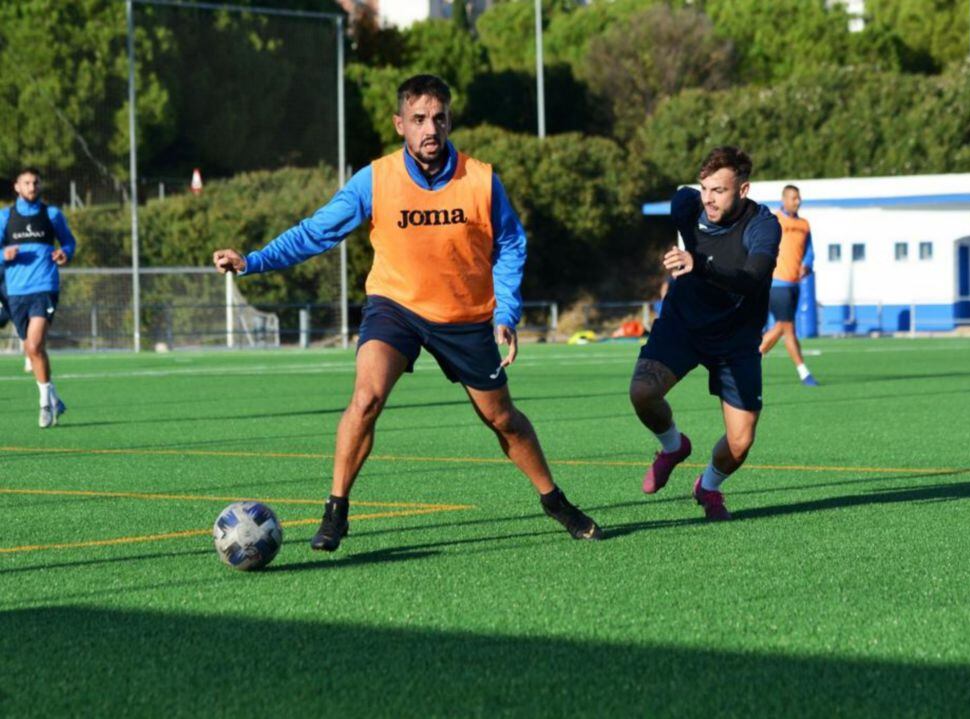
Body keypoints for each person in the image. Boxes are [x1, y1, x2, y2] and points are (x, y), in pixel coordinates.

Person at [213, 74, 601, 551]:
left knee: (503, 420)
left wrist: (506, 311)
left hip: (464, 316)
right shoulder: (375, 179)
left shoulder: (480, 180)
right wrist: (253, 261)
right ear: (400, 124)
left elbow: (511, 244)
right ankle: (336, 510)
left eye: (438, 118)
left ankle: (554, 501)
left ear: (450, 120)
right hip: (394, 306)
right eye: (418, 119)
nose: (429, 129)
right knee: (367, 397)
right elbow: (317, 232)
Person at [628, 146, 780, 521]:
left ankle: (708, 486)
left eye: (719, 191)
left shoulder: (763, 226)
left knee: (741, 441)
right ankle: (672, 446)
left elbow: (752, 279)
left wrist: (700, 265)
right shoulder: (686, 205)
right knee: (642, 392)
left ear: (742, 191)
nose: (708, 199)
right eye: (704, 188)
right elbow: (685, 206)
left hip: (735, 337)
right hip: (684, 324)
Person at [1, 167, 74, 428]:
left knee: (33, 346)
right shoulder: (5, 217)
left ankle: (44, 404)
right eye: (27, 183)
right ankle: (54, 399)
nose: (32, 187)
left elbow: (69, 243)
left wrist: (65, 253)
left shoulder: (52, 214)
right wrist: (4, 255)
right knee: (33, 351)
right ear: (17, 187)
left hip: (44, 286)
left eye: (35, 182)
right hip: (16, 292)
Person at [759, 184, 818, 386]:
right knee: (787, 327)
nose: (797, 201)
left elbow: (810, 251)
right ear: (783, 200)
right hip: (776, 283)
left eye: (798, 197)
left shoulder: (804, 224)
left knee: (783, 327)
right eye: (793, 198)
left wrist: (807, 264)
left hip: (795, 284)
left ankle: (752, 356)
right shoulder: (773, 220)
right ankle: (804, 372)